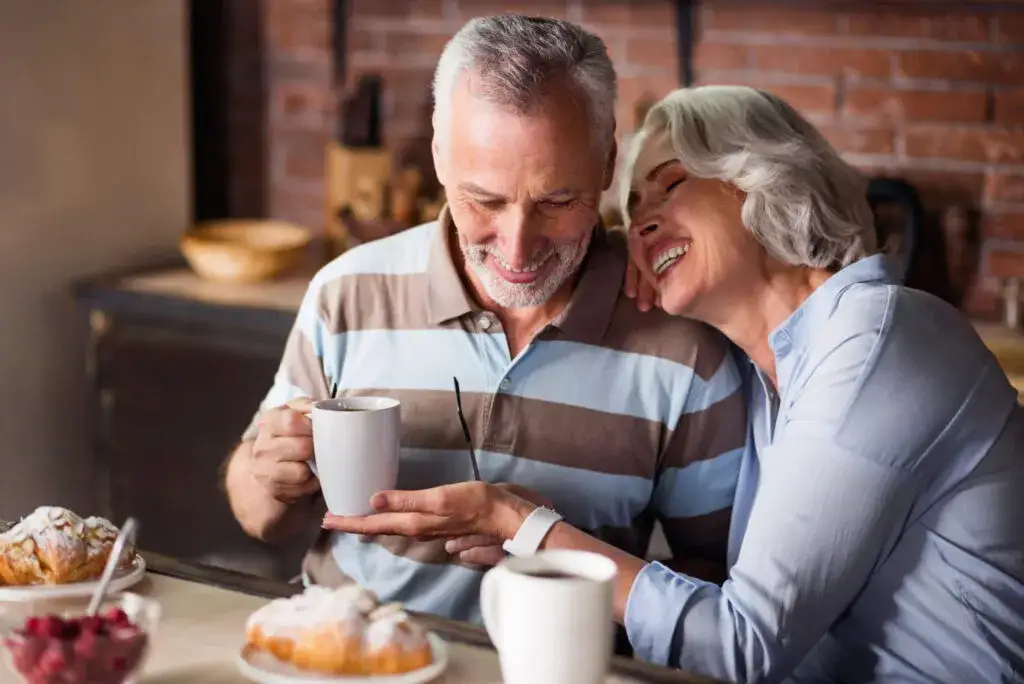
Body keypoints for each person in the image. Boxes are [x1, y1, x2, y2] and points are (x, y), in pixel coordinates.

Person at [323, 85, 1024, 683]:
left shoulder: (879, 340)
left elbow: (744, 645)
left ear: (764, 178)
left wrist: (522, 524)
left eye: (674, 184)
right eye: (630, 215)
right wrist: (544, 537)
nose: (642, 223)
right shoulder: (769, 376)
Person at [223, 18, 747, 631]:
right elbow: (260, 515)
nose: (518, 250)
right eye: (485, 200)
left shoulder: (683, 342)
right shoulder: (346, 292)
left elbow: (715, 585)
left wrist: (555, 548)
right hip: (354, 657)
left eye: (557, 201)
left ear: (607, 162)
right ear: (440, 157)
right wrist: (269, 477)